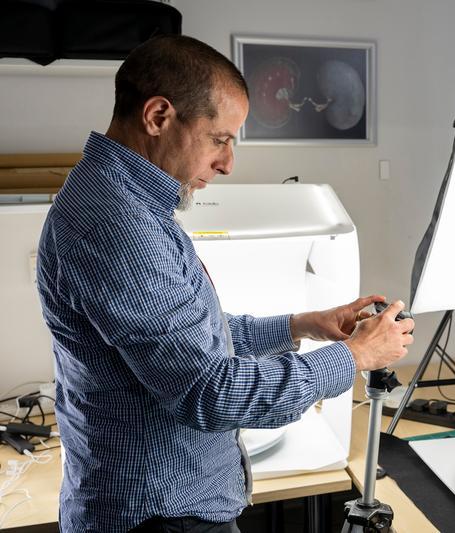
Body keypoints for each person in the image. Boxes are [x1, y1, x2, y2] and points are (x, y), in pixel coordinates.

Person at [36, 34, 414, 533]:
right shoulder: (116, 222)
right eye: (220, 140)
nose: (228, 163)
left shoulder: (136, 202)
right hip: (159, 518)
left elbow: (192, 332)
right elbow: (208, 391)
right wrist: (356, 356)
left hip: (170, 505)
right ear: (157, 116)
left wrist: (302, 325)